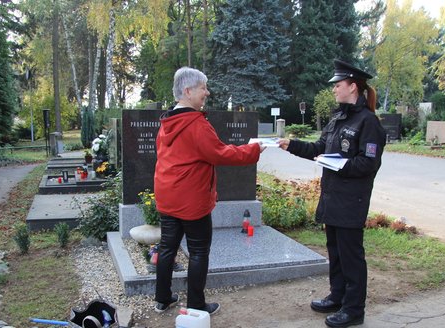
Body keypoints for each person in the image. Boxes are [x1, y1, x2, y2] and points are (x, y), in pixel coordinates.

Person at [278, 59, 386, 328]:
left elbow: (369, 163)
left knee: (351, 256)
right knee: (335, 252)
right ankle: (337, 296)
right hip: (332, 198)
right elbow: (319, 148)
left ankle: (353, 309)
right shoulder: (338, 118)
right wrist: (290, 145)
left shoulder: (368, 122)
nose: (334, 90)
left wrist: (338, 163)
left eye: (338, 85)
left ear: (353, 86)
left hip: (351, 201)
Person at [153, 67, 265, 315]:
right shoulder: (195, 124)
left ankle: (162, 298)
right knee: (199, 250)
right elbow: (220, 153)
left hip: (167, 196)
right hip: (192, 200)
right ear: (188, 90)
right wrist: (254, 149)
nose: (207, 92)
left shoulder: (167, 122)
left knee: (167, 247)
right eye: (203, 87)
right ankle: (196, 304)